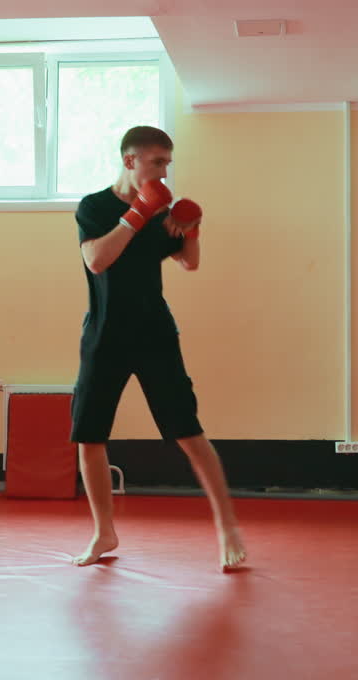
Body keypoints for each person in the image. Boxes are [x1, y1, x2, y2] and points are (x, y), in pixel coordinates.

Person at [70, 125, 246, 571]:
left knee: (189, 431)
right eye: (157, 162)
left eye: (168, 162)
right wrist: (137, 214)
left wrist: (192, 229)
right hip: (105, 335)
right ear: (130, 160)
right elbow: (97, 260)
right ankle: (103, 532)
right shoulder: (94, 207)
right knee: (89, 435)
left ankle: (227, 528)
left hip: (155, 334)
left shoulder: (162, 209)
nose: (165, 171)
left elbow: (189, 262)